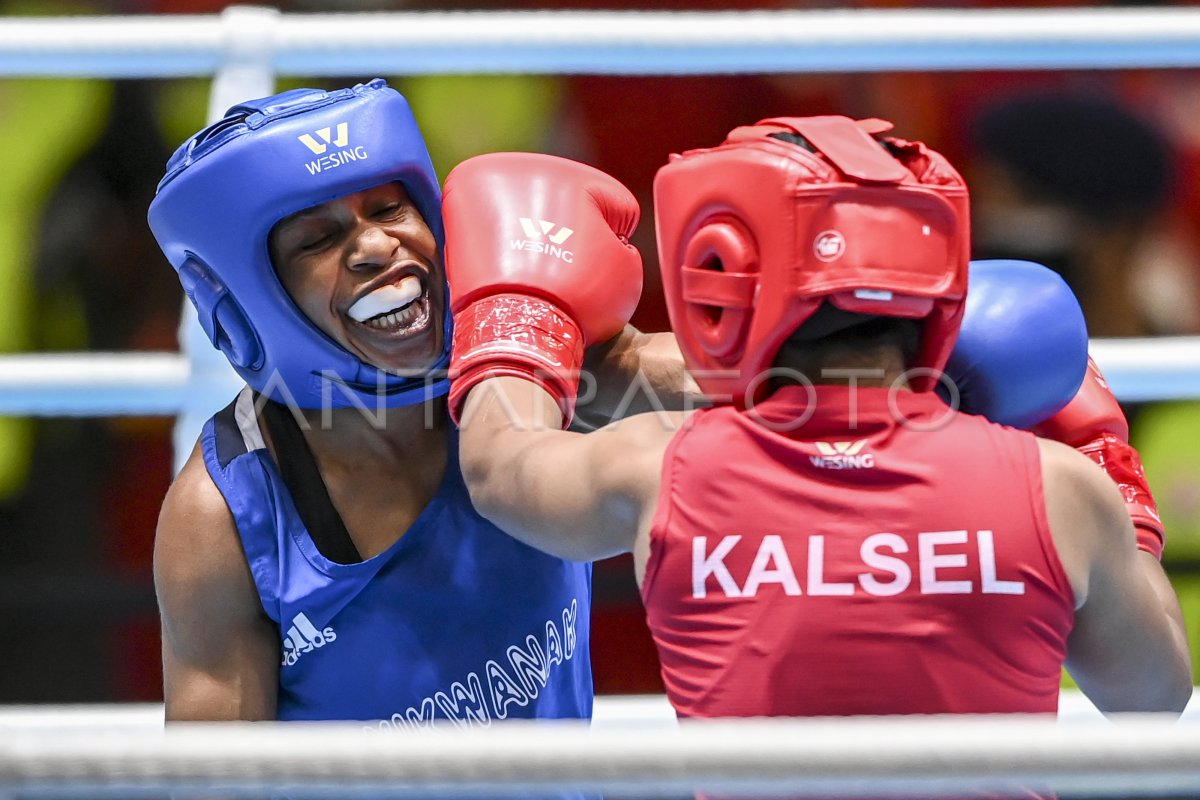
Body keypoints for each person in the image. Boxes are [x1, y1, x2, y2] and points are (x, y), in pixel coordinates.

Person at [446, 117, 1192, 716]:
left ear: (724, 275)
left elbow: (498, 463)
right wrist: (1105, 467)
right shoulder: (1057, 487)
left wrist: (517, 314)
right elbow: (1154, 695)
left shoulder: (660, 465)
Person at [146, 79, 690, 725]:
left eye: (387, 209)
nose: (376, 247)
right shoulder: (224, 519)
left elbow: (716, 381)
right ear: (252, 297)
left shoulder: (512, 361)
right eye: (317, 240)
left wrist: (810, 329)